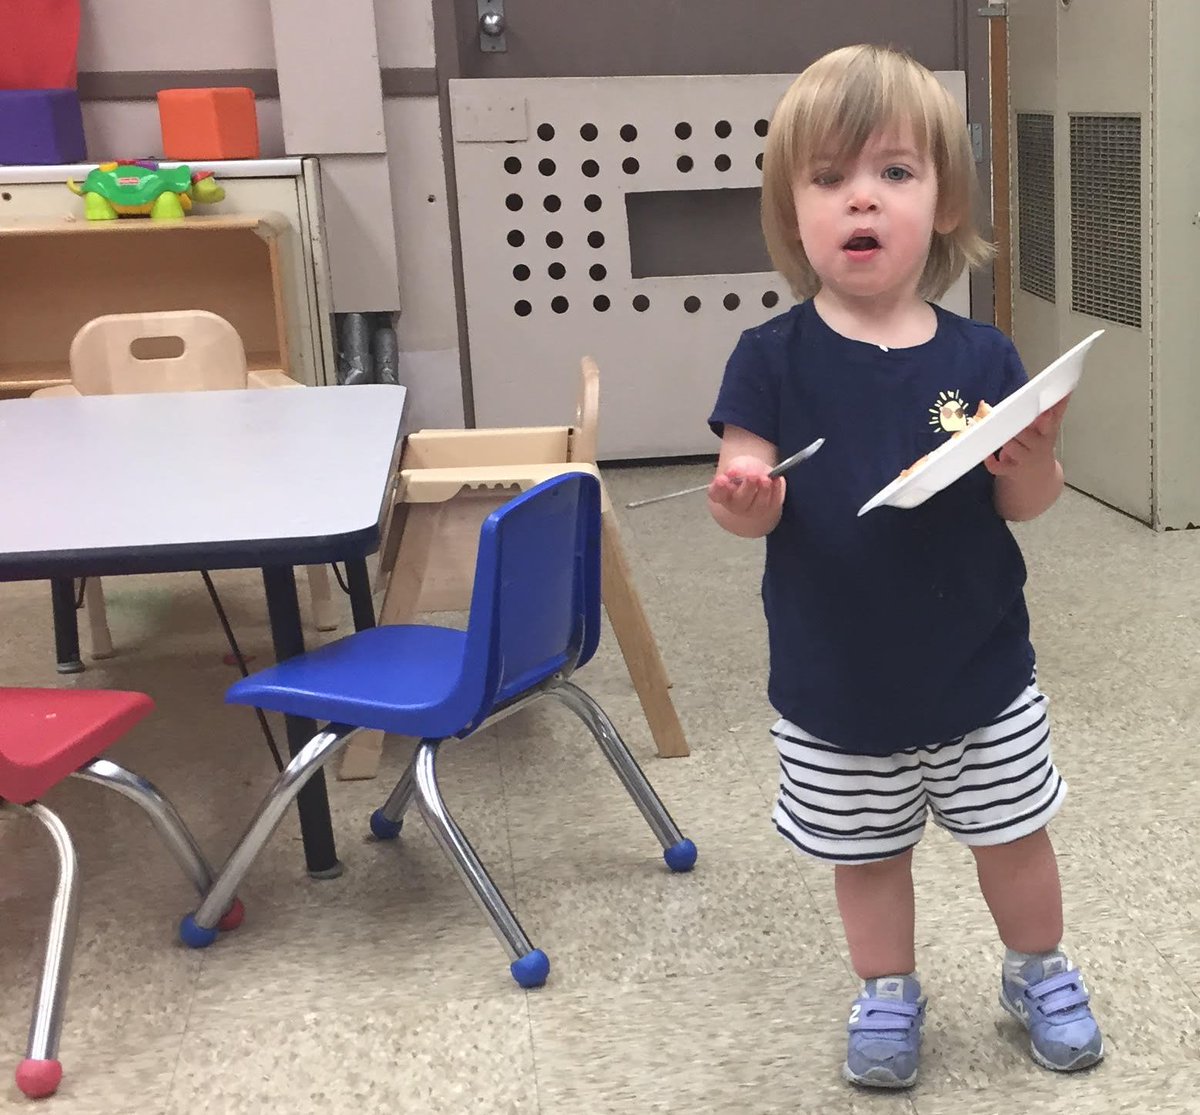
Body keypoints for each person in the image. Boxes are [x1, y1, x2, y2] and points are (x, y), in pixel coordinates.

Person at [706, 43, 1103, 1089]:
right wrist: (747, 494)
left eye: (893, 172)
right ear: (793, 213)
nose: (860, 200)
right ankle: (888, 987)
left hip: (980, 671)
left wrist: (1038, 459)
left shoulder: (981, 358)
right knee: (868, 857)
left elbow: (1025, 504)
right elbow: (742, 485)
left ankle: (1038, 968)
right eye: (829, 179)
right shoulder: (772, 358)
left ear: (943, 200)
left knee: (1016, 839)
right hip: (836, 680)